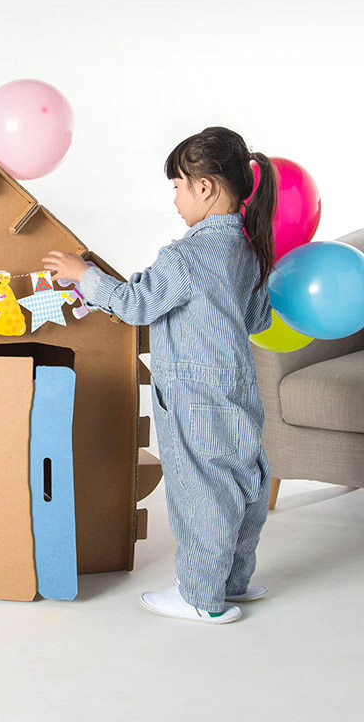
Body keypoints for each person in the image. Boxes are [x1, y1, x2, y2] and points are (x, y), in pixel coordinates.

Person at [43, 126, 277, 624]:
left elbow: (136, 304)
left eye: (177, 187)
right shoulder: (248, 249)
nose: (174, 200)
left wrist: (84, 276)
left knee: (201, 492)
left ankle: (200, 597)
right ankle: (233, 581)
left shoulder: (186, 256)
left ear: (204, 187)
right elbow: (258, 319)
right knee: (245, 480)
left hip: (193, 394)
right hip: (237, 386)